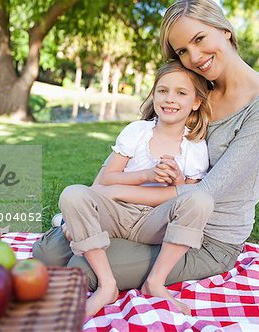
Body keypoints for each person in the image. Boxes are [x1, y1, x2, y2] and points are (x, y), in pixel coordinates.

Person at [33, 0, 259, 318]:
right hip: (154, 215)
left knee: (82, 267)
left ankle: (143, 275)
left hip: (207, 236)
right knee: (47, 252)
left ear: (225, 30)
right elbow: (133, 150)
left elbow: (208, 192)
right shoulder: (196, 85)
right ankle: (106, 236)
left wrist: (110, 193)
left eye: (199, 39)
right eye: (181, 51)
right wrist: (101, 201)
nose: (193, 58)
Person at [58, 59, 212, 317]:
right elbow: (107, 179)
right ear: (153, 95)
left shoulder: (195, 147)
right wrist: (147, 174)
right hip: (117, 214)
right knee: (72, 194)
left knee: (201, 200)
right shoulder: (137, 131)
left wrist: (178, 181)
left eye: (181, 93)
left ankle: (155, 282)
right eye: (162, 91)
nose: (169, 99)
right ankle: (107, 285)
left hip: (154, 224)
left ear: (196, 102)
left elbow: (189, 196)